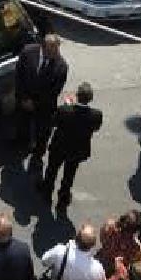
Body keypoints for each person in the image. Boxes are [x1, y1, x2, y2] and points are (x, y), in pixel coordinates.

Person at [40, 83, 103, 212]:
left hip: (59, 147)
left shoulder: (64, 110)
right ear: (90, 99)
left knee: (51, 170)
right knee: (69, 175)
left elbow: (53, 122)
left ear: (77, 95)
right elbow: (95, 128)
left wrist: (67, 105)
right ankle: (63, 198)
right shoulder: (96, 115)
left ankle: (47, 193)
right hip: (78, 150)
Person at [15, 34, 68, 172]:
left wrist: (35, 104)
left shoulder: (61, 66)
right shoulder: (28, 52)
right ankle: (22, 143)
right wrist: (23, 98)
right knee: (22, 124)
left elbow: (54, 92)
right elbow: (19, 76)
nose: (56, 54)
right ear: (43, 48)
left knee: (43, 133)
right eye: (52, 51)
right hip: (24, 100)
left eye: (57, 50)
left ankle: (38, 155)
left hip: (44, 107)